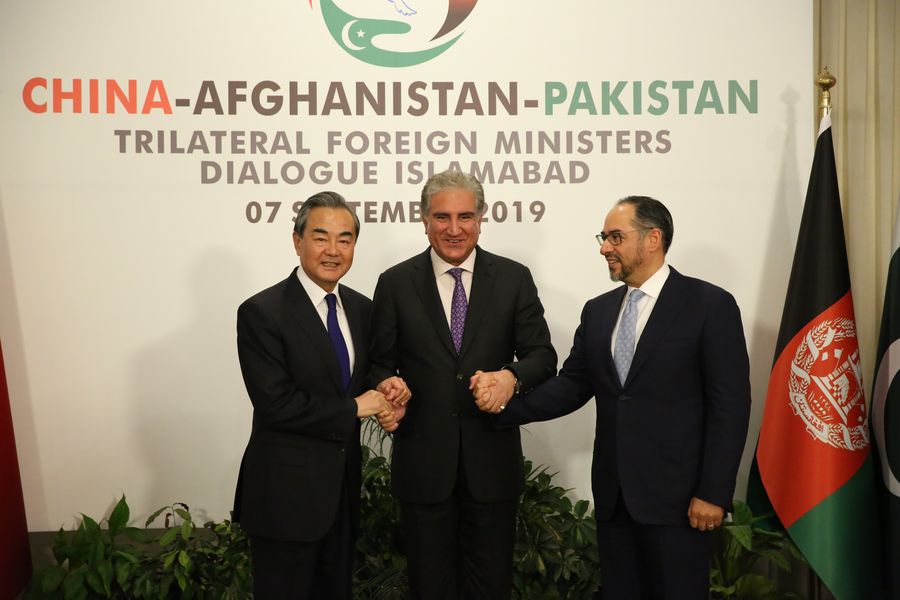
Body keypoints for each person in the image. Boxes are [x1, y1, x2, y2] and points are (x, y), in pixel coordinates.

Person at [472, 196, 751, 599]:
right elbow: (571, 386)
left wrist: (713, 492)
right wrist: (498, 406)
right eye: (603, 238)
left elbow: (730, 407)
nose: (604, 248)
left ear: (653, 239)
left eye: (615, 237)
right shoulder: (599, 312)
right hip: (615, 501)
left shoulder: (710, 305)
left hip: (681, 503)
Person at [368, 170, 557, 599]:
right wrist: (387, 384)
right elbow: (377, 362)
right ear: (424, 219)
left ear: (481, 218)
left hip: (491, 465)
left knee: (489, 588)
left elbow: (542, 356)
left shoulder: (513, 278)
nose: (454, 229)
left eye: (465, 216)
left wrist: (510, 378)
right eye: (442, 217)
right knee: (429, 587)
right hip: (423, 467)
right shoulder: (395, 283)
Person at [233, 191, 409, 600]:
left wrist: (387, 385)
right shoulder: (262, 312)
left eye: (345, 239)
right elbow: (276, 404)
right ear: (297, 241)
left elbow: (366, 372)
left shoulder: (363, 309)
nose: (333, 250)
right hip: (284, 500)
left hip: (341, 498)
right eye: (320, 237)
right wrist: (355, 407)